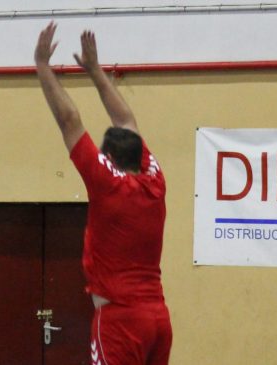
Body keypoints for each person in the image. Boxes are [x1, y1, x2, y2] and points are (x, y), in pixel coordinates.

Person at [35, 22, 172, 365]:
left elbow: (69, 120)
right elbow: (127, 122)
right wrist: (96, 71)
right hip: (158, 318)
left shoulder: (107, 182)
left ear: (108, 158)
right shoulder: (155, 182)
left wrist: (42, 67)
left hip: (121, 321)